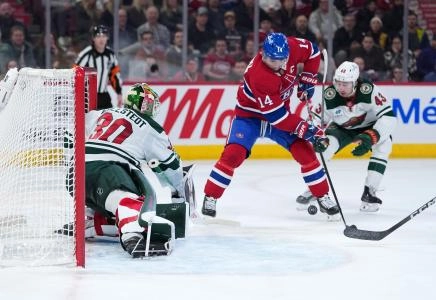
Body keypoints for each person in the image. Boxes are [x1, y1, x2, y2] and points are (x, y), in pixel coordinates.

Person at [201, 32, 340, 219]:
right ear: (263, 54)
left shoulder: (292, 47)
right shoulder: (260, 75)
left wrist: (307, 78)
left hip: (279, 114)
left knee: (305, 152)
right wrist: (307, 129)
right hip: (250, 117)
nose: (278, 64)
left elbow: (314, 53)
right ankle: (211, 196)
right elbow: (277, 118)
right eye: (272, 60)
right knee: (233, 154)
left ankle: (322, 195)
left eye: (282, 60)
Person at [77, 83, 188, 257]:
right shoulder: (151, 127)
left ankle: (91, 221)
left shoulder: (103, 112)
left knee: (116, 192)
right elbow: (172, 165)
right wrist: (180, 192)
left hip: (75, 173)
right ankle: (132, 235)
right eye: (150, 105)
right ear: (143, 105)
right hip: (105, 171)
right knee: (131, 200)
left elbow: (74, 130)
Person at [296, 61, 397, 212]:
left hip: (369, 127)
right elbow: (316, 118)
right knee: (324, 149)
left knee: (384, 144)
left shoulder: (368, 90)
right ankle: (314, 189)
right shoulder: (330, 95)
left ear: (355, 82)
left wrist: (372, 137)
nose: (341, 88)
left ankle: (370, 192)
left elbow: (389, 117)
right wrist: (314, 136)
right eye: (338, 83)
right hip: (341, 128)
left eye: (346, 84)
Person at [75, 25, 123, 109]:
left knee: (109, 120)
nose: (101, 39)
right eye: (98, 36)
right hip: (87, 97)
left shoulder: (110, 55)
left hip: (104, 96)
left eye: (104, 36)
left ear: (107, 38)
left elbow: (114, 75)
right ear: (93, 38)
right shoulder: (86, 54)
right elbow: (75, 74)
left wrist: (119, 93)